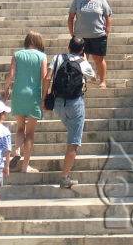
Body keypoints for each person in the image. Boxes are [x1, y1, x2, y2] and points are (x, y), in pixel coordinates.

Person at [43, 36, 95, 187]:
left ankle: (67, 166)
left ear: (68, 47)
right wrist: (84, 61)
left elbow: (47, 77)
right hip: (75, 104)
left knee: (71, 131)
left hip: (58, 103)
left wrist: (44, 98)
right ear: (82, 50)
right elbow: (94, 78)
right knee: (73, 143)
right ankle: (64, 177)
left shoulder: (58, 57)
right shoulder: (83, 63)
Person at [3, 31, 47, 173]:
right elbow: (45, 77)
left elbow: (11, 74)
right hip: (34, 96)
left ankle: (17, 151)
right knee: (30, 133)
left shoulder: (17, 55)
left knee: (21, 128)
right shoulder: (42, 57)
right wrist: (45, 96)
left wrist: (6, 87)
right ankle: (25, 166)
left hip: (18, 94)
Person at [68, 0, 112, 88]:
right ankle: (82, 81)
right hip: (81, 36)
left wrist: (107, 31)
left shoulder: (101, 0)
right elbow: (71, 17)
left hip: (98, 35)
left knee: (99, 59)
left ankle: (102, 81)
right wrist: (72, 33)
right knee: (81, 59)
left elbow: (108, 16)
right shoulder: (78, 0)